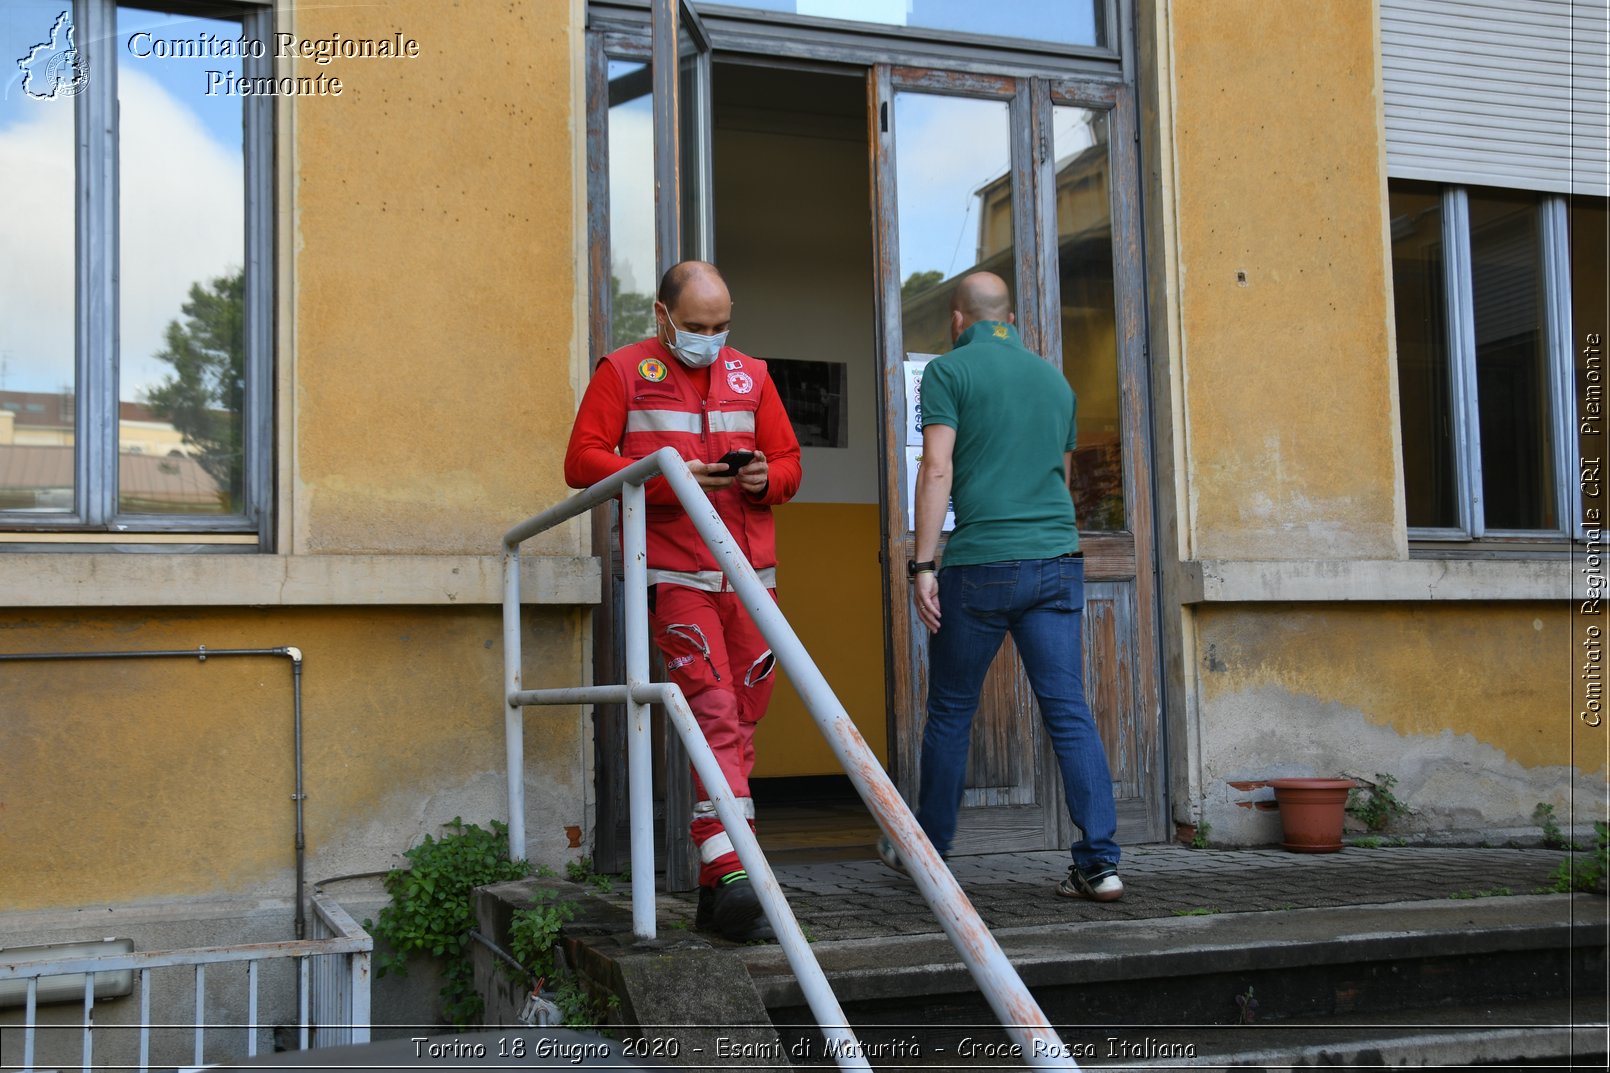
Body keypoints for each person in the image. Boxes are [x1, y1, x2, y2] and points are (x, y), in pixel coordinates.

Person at [564, 260, 802, 941]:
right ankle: (735, 864)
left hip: (751, 575)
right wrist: (668, 475)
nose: (711, 338)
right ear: (662, 317)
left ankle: (717, 895)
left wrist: (762, 477)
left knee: (743, 716)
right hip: (675, 571)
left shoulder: (751, 374)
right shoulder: (623, 370)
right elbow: (581, 460)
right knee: (714, 711)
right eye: (696, 326)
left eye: (722, 325)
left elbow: (788, 465)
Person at [879, 270, 1123, 901]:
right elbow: (1060, 478)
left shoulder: (948, 372)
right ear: (1007, 318)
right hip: (1056, 562)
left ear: (958, 320)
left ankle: (930, 856)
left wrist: (923, 564)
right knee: (1069, 711)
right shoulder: (1055, 381)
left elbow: (937, 466)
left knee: (952, 711)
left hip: (981, 565)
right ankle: (1100, 865)